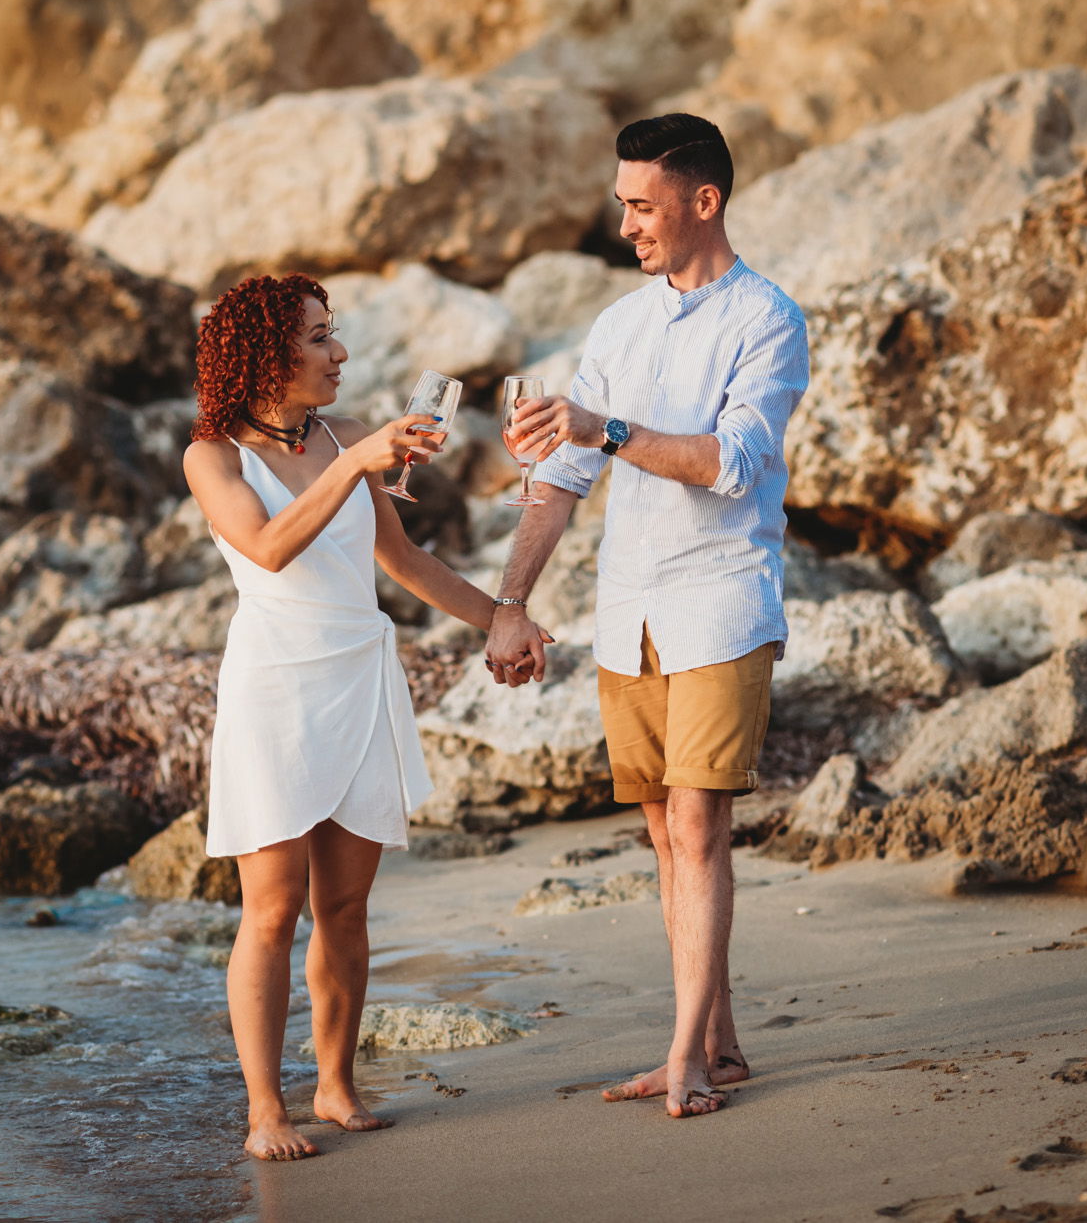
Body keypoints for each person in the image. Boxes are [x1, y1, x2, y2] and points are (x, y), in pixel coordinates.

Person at [184, 272, 555, 1163]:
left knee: (345, 906)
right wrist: (355, 462)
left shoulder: (344, 435)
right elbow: (269, 549)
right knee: (271, 911)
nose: (338, 351)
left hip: (360, 680)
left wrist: (504, 615)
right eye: (318, 337)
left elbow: (405, 559)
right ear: (268, 354)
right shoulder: (214, 456)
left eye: (332, 332)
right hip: (275, 691)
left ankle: (336, 1084)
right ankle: (265, 1109)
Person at [484, 113, 810, 1119]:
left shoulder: (767, 319)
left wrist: (606, 426)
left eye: (640, 203)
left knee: (697, 824)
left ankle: (685, 1062)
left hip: (718, 599)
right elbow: (561, 476)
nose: (623, 221)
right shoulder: (618, 327)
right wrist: (509, 602)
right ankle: (718, 1039)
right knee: (663, 839)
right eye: (620, 202)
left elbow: (729, 464)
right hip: (626, 609)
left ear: (700, 201)